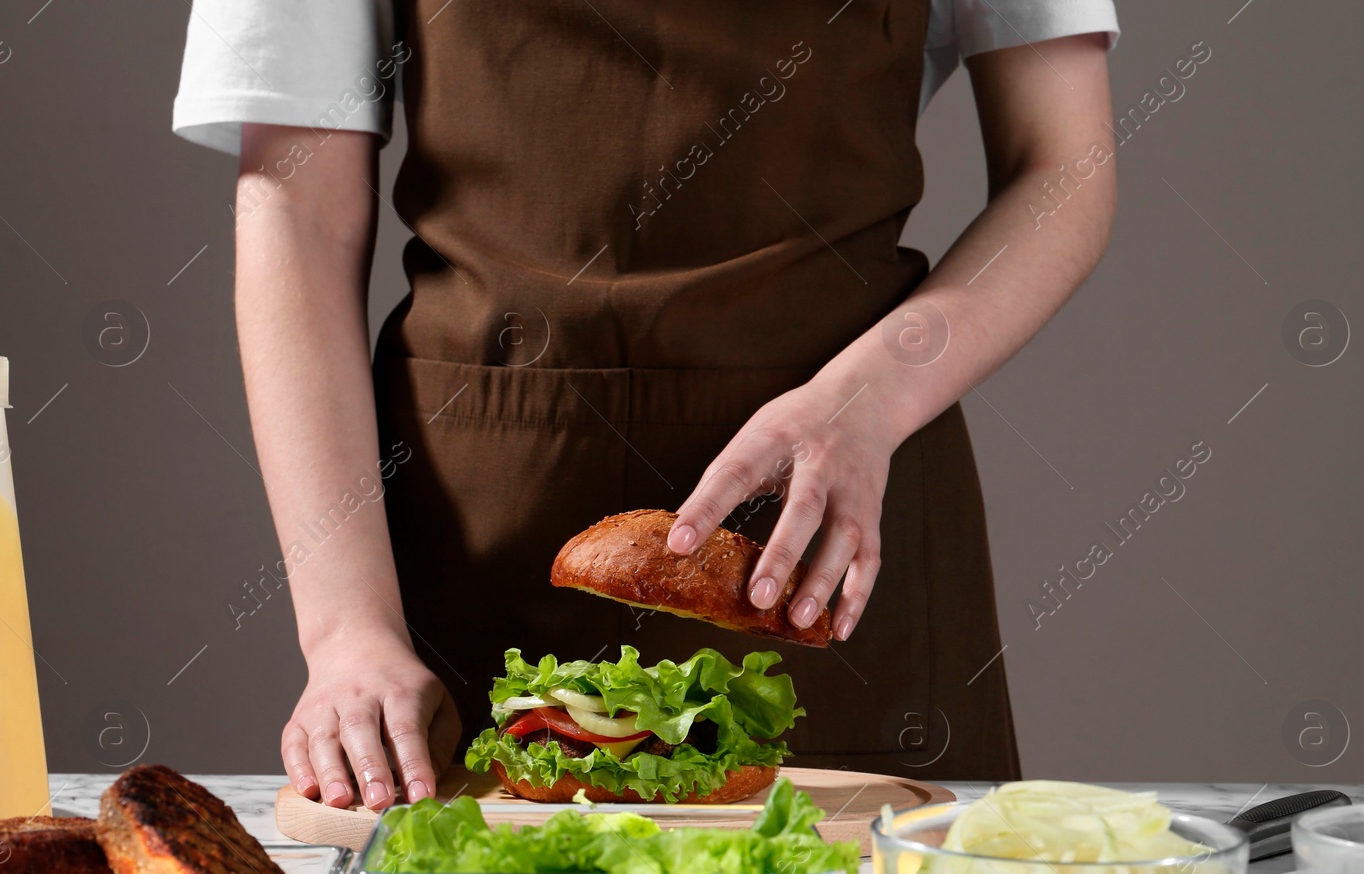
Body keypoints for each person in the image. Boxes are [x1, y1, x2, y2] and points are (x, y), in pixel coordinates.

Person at [173, 0, 1120, 809]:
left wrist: (869, 398)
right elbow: (298, 210)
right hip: (476, 535)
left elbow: (1064, 163)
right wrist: (349, 630)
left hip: (829, 527)